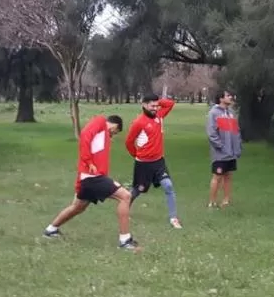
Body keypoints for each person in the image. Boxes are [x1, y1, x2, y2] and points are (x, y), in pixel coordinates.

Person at [43, 115, 140, 250]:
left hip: (89, 178)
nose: (113, 134)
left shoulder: (103, 136)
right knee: (126, 196)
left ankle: (50, 230)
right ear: (115, 126)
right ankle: (125, 241)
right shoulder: (100, 122)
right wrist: (88, 161)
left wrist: (80, 182)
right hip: (93, 177)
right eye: (115, 132)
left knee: (78, 207)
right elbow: (85, 135)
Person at [125, 94, 182, 229]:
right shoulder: (139, 122)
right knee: (137, 190)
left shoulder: (159, 117)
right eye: (152, 106)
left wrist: (157, 100)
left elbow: (170, 104)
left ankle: (173, 218)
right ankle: (124, 209)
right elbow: (128, 142)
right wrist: (136, 155)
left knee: (168, 185)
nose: (155, 108)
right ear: (144, 105)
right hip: (143, 164)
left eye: (157, 106)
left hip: (159, 162)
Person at [206, 90, 242, 208]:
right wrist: (220, 146)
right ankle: (212, 202)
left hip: (232, 152)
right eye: (228, 96)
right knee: (217, 176)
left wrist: (237, 147)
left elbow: (236, 131)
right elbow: (211, 133)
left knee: (228, 176)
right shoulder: (214, 113)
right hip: (220, 153)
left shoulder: (231, 113)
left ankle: (226, 200)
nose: (231, 97)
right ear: (221, 99)